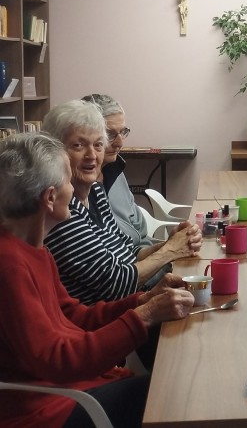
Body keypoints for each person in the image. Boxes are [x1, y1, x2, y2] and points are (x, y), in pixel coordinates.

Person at [0, 132, 194, 428]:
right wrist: (144, 317)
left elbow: (75, 318)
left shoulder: (36, 251)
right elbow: (58, 360)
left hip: (69, 390)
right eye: (67, 180)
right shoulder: (9, 264)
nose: (74, 190)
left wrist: (143, 300)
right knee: (176, 393)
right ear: (50, 197)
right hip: (46, 409)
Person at [41, 100, 201, 305]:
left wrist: (171, 242)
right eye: (79, 145)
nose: (92, 155)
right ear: (56, 153)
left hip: (132, 306)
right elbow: (116, 283)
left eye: (98, 144)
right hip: (108, 322)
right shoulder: (61, 212)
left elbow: (129, 252)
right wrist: (170, 251)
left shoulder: (96, 193)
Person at [81, 93, 154, 249]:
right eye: (110, 134)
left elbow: (141, 233)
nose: (120, 143)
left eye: (123, 132)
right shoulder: (78, 187)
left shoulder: (116, 171)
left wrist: (163, 252)